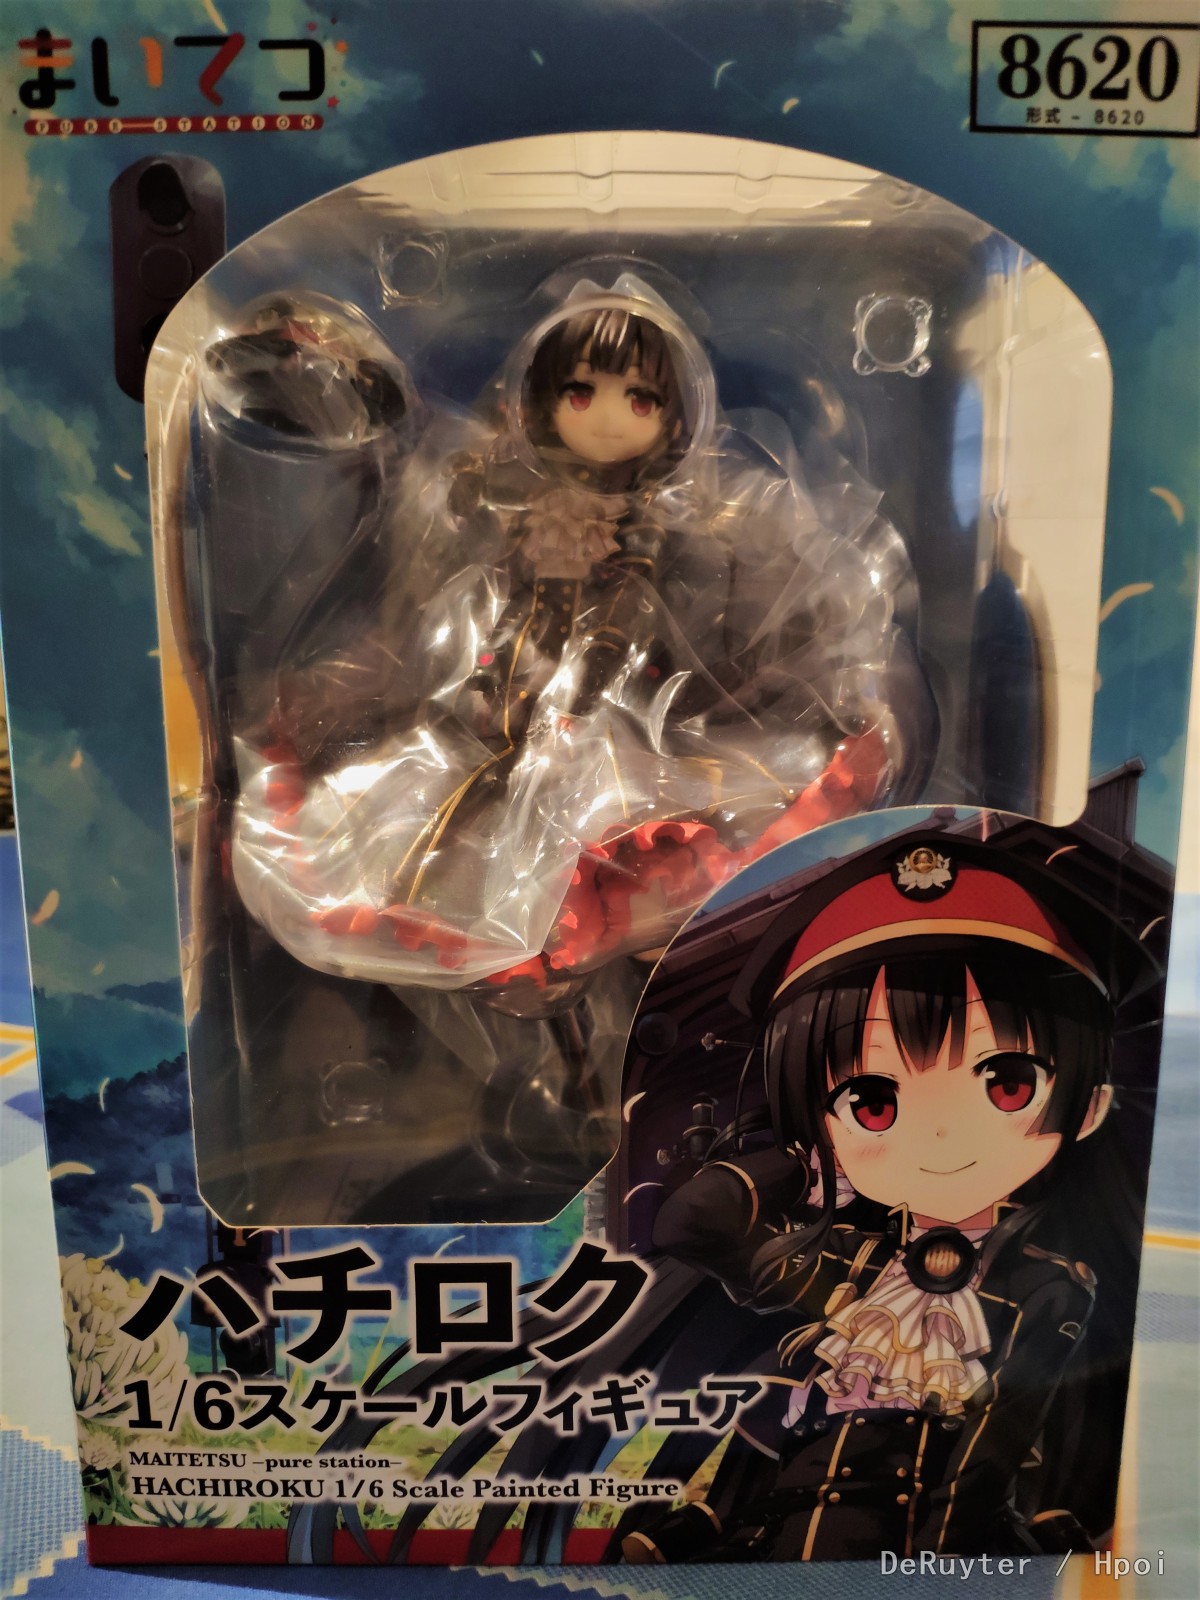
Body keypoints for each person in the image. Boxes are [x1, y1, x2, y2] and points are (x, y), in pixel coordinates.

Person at [230, 275, 910, 994]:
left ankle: (650, 956)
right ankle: (562, 966)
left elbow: (791, 579)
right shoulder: (501, 493)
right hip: (507, 702)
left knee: (636, 843)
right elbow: (430, 527)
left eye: (640, 399)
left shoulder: (690, 515)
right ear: (542, 401)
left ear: (675, 415)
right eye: (581, 393)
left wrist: (841, 662)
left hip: (620, 722)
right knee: (456, 851)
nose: (610, 419)